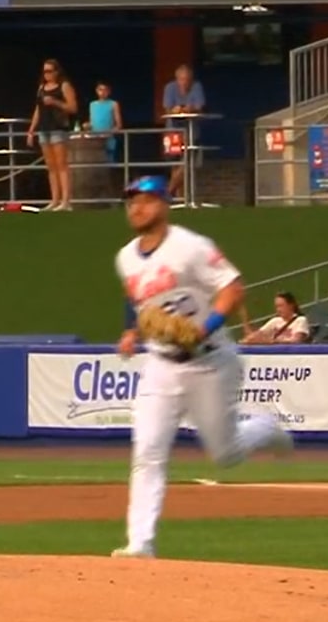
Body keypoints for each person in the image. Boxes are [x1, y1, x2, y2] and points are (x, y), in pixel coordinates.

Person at [111, 175, 293, 558]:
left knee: (225, 454)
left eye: (144, 200)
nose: (136, 208)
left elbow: (233, 287)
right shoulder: (126, 257)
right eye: (131, 201)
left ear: (164, 204)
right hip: (160, 364)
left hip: (210, 360)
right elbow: (136, 299)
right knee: (147, 450)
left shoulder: (190, 246)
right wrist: (131, 329)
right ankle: (140, 543)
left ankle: (266, 427)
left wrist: (205, 327)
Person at [27, 58, 78, 211]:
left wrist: (56, 102)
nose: (47, 74)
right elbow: (38, 109)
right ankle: (54, 200)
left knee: (62, 164)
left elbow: (73, 107)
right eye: (45, 72)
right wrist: (31, 130)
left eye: (50, 71)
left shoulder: (64, 86)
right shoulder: (41, 88)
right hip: (44, 128)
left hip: (58, 127)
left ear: (57, 72)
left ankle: (66, 201)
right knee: (51, 166)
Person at [161, 65, 206, 199]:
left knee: (187, 164)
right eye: (181, 79)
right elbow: (167, 109)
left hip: (192, 132)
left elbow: (199, 107)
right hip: (173, 132)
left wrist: (190, 109)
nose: (184, 82)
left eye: (187, 80)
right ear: (177, 79)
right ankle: (180, 200)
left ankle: (168, 192)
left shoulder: (197, 86)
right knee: (175, 166)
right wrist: (175, 110)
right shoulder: (170, 88)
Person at [244, 291, 311, 344]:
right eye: (277, 306)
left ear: (291, 306)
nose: (278, 309)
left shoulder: (300, 320)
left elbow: (296, 340)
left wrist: (274, 341)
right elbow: (258, 334)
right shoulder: (275, 321)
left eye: (281, 306)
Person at [88, 81, 124, 167]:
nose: (102, 92)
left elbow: (119, 125)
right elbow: (91, 122)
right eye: (100, 89)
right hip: (95, 140)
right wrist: (87, 125)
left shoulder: (113, 104)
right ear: (96, 91)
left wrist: (109, 133)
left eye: (105, 90)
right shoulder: (92, 104)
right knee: (95, 164)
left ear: (109, 92)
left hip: (108, 139)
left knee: (109, 164)